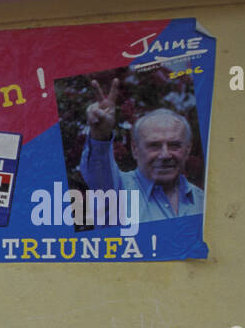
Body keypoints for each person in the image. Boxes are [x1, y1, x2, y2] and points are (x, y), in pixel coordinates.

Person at [78, 78, 205, 221]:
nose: (165, 155)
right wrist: (100, 135)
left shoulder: (204, 201)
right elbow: (98, 171)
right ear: (135, 150)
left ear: (188, 149)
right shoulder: (115, 192)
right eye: (154, 145)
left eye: (174, 145)